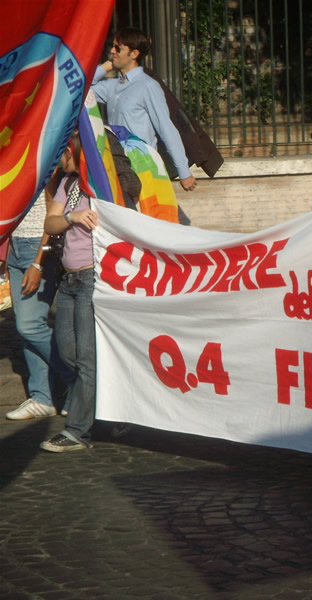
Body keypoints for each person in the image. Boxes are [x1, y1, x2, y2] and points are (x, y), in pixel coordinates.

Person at [40, 130, 100, 452]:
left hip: (91, 279)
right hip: (68, 280)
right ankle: (100, 410)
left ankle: (77, 431)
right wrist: (72, 216)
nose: (61, 158)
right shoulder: (68, 184)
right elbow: (50, 224)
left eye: (64, 152)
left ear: (76, 152)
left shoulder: (99, 186)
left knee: (87, 358)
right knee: (67, 353)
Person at [91, 27, 196, 192]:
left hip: (142, 166)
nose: (112, 51)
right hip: (117, 165)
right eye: (113, 46)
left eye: (118, 48)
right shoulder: (112, 86)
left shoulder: (148, 86)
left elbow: (165, 128)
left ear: (134, 54)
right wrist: (106, 67)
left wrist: (184, 172)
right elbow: (81, 88)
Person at [2, 186, 74, 420]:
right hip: (14, 246)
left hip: (38, 248)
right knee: (28, 328)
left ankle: (77, 382)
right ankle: (42, 397)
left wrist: (38, 262)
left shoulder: (45, 166)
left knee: (30, 325)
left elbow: (52, 212)